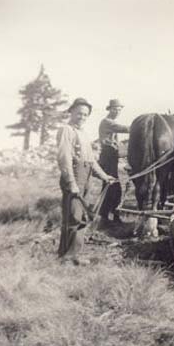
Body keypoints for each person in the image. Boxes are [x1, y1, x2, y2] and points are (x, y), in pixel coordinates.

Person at [57, 97, 114, 265]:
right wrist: (71, 182)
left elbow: (91, 161)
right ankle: (67, 258)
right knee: (73, 217)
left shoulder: (83, 133)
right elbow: (64, 157)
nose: (82, 117)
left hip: (85, 177)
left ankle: (72, 254)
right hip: (74, 177)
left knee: (81, 216)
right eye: (79, 113)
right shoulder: (66, 130)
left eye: (85, 114)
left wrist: (104, 176)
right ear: (71, 112)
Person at [98, 99, 129, 224]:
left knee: (113, 186)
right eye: (115, 109)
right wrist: (140, 127)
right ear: (109, 109)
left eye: (119, 109)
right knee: (111, 185)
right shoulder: (107, 122)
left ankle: (109, 215)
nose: (117, 111)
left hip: (112, 156)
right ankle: (105, 216)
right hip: (107, 156)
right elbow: (123, 128)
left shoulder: (111, 123)